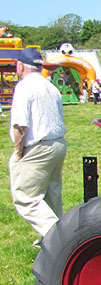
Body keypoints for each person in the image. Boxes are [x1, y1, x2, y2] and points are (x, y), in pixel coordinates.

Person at [8, 47, 67, 246]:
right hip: (58, 144)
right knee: (52, 195)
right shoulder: (50, 86)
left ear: (20, 66)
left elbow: (20, 125)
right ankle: (53, 238)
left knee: (27, 198)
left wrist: (18, 151)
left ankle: (61, 242)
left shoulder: (24, 87)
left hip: (37, 146)